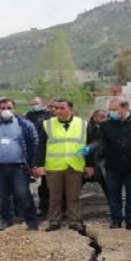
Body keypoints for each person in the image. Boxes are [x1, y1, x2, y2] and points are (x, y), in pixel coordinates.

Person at [34, 99, 95, 232]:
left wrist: (90, 165)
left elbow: (89, 145)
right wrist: (39, 165)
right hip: (54, 166)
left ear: (71, 109)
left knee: (73, 196)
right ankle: (54, 221)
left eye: (62, 108)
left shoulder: (83, 124)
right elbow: (41, 146)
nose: (58, 111)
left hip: (75, 165)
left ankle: (74, 221)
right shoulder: (47, 124)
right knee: (54, 196)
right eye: (56, 108)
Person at [0, 98, 40, 231]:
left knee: (23, 194)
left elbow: (34, 145)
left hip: (19, 167)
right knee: (2, 196)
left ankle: (31, 220)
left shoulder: (25, 124)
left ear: (14, 109)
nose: (6, 111)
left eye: (9, 108)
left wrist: (34, 165)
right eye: (3, 108)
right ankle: (6, 220)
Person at [94, 98, 131, 230]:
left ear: (125, 108)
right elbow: (100, 142)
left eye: (114, 109)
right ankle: (116, 220)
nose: (111, 112)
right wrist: (92, 148)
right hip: (113, 166)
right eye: (110, 109)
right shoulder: (106, 125)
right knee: (113, 194)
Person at [26, 97, 52, 216]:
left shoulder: (48, 117)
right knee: (44, 184)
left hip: (55, 156)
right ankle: (44, 207)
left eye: (37, 103)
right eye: (33, 104)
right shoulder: (29, 116)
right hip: (40, 151)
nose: (35, 105)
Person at [85, 110, 109, 197]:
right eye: (102, 117)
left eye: (106, 117)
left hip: (103, 161)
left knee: (107, 184)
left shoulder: (107, 127)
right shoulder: (87, 127)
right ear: (94, 117)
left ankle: (113, 201)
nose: (105, 119)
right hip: (89, 160)